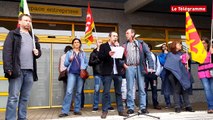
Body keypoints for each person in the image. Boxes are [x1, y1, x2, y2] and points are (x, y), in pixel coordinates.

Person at [3, 14, 41, 120]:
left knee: (25, 98)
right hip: (16, 71)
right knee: (13, 98)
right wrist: (8, 68)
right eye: (26, 20)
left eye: (29, 21)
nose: (28, 23)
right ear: (19, 22)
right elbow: (7, 52)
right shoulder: (13, 34)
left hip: (30, 72)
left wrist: (37, 52)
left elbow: (38, 53)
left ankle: (22, 118)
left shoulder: (33, 37)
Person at [122, 28, 154, 114]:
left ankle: (143, 107)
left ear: (132, 34)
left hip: (140, 67)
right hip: (129, 68)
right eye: (126, 33)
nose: (126, 35)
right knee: (129, 88)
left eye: (127, 33)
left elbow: (148, 54)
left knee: (141, 88)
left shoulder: (141, 43)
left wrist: (151, 66)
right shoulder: (124, 45)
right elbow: (120, 57)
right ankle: (130, 108)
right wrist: (124, 65)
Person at [98, 31, 128, 119]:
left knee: (119, 92)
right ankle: (104, 111)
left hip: (117, 72)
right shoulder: (103, 46)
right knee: (106, 92)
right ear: (109, 37)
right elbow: (100, 57)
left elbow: (123, 58)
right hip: (107, 73)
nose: (116, 38)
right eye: (114, 36)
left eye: (117, 36)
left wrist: (119, 48)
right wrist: (108, 54)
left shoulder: (118, 46)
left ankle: (120, 110)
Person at [59, 38, 88, 117]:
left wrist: (83, 67)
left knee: (78, 92)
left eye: (78, 42)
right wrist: (69, 59)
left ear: (80, 44)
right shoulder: (69, 52)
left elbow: (86, 63)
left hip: (80, 74)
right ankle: (65, 111)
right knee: (69, 92)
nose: (76, 43)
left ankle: (77, 110)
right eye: (75, 42)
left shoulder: (83, 53)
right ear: (73, 44)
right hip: (71, 74)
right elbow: (65, 64)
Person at [164, 41, 194, 113]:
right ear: (174, 45)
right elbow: (170, 64)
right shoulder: (170, 54)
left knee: (185, 90)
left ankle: (188, 106)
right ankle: (177, 106)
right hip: (174, 75)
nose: (180, 45)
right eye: (178, 44)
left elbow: (185, 64)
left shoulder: (182, 54)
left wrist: (187, 59)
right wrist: (180, 58)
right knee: (176, 90)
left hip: (183, 75)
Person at [89, 39, 114, 112]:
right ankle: (95, 106)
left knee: (107, 90)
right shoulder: (93, 53)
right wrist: (99, 59)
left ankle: (108, 105)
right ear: (96, 44)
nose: (100, 43)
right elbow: (90, 63)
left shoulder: (106, 51)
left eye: (101, 42)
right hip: (97, 73)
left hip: (105, 73)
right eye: (99, 42)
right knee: (97, 90)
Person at [198, 37, 213, 114]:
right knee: (207, 90)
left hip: (211, 72)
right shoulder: (199, 52)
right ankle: (210, 107)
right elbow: (197, 61)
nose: (202, 44)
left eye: (204, 42)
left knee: (212, 89)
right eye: (201, 43)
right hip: (202, 72)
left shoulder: (211, 51)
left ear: (207, 43)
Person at [145, 43, 161, 110]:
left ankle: (155, 104)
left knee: (154, 90)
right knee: (144, 90)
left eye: (148, 47)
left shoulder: (154, 55)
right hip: (145, 75)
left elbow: (158, 65)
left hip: (153, 75)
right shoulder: (143, 55)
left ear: (150, 48)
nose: (147, 48)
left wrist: (156, 74)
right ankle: (145, 105)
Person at [58, 45, 73, 110]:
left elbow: (59, 67)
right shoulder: (70, 56)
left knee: (65, 91)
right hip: (69, 74)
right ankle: (70, 106)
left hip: (64, 75)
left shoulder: (62, 56)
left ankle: (65, 106)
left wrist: (61, 72)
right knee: (70, 91)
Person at [158, 44, 172, 108]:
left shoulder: (171, 54)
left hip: (172, 72)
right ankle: (168, 103)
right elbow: (163, 62)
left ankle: (180, 102)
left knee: (176, 88)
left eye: (165, 46)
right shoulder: (160, 56)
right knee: (166, 89)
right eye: (162, 46)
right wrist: (165, 55)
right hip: (164, 73)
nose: (164, 47)